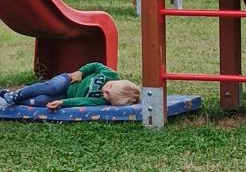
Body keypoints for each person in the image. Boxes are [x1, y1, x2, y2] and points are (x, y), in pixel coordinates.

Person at [0, 63, 141, 110]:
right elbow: (95, 65)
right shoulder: (110, 74)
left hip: (66, 95)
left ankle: (14, 100)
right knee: (52, 87)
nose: (105, 90)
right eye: (110, 86)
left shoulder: (100, 101)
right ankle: (16, 94)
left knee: (43, 101)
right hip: (68, 80)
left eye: (108, 95)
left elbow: (81, 101)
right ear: (118, 80)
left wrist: (62, 102)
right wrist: (81, 72)